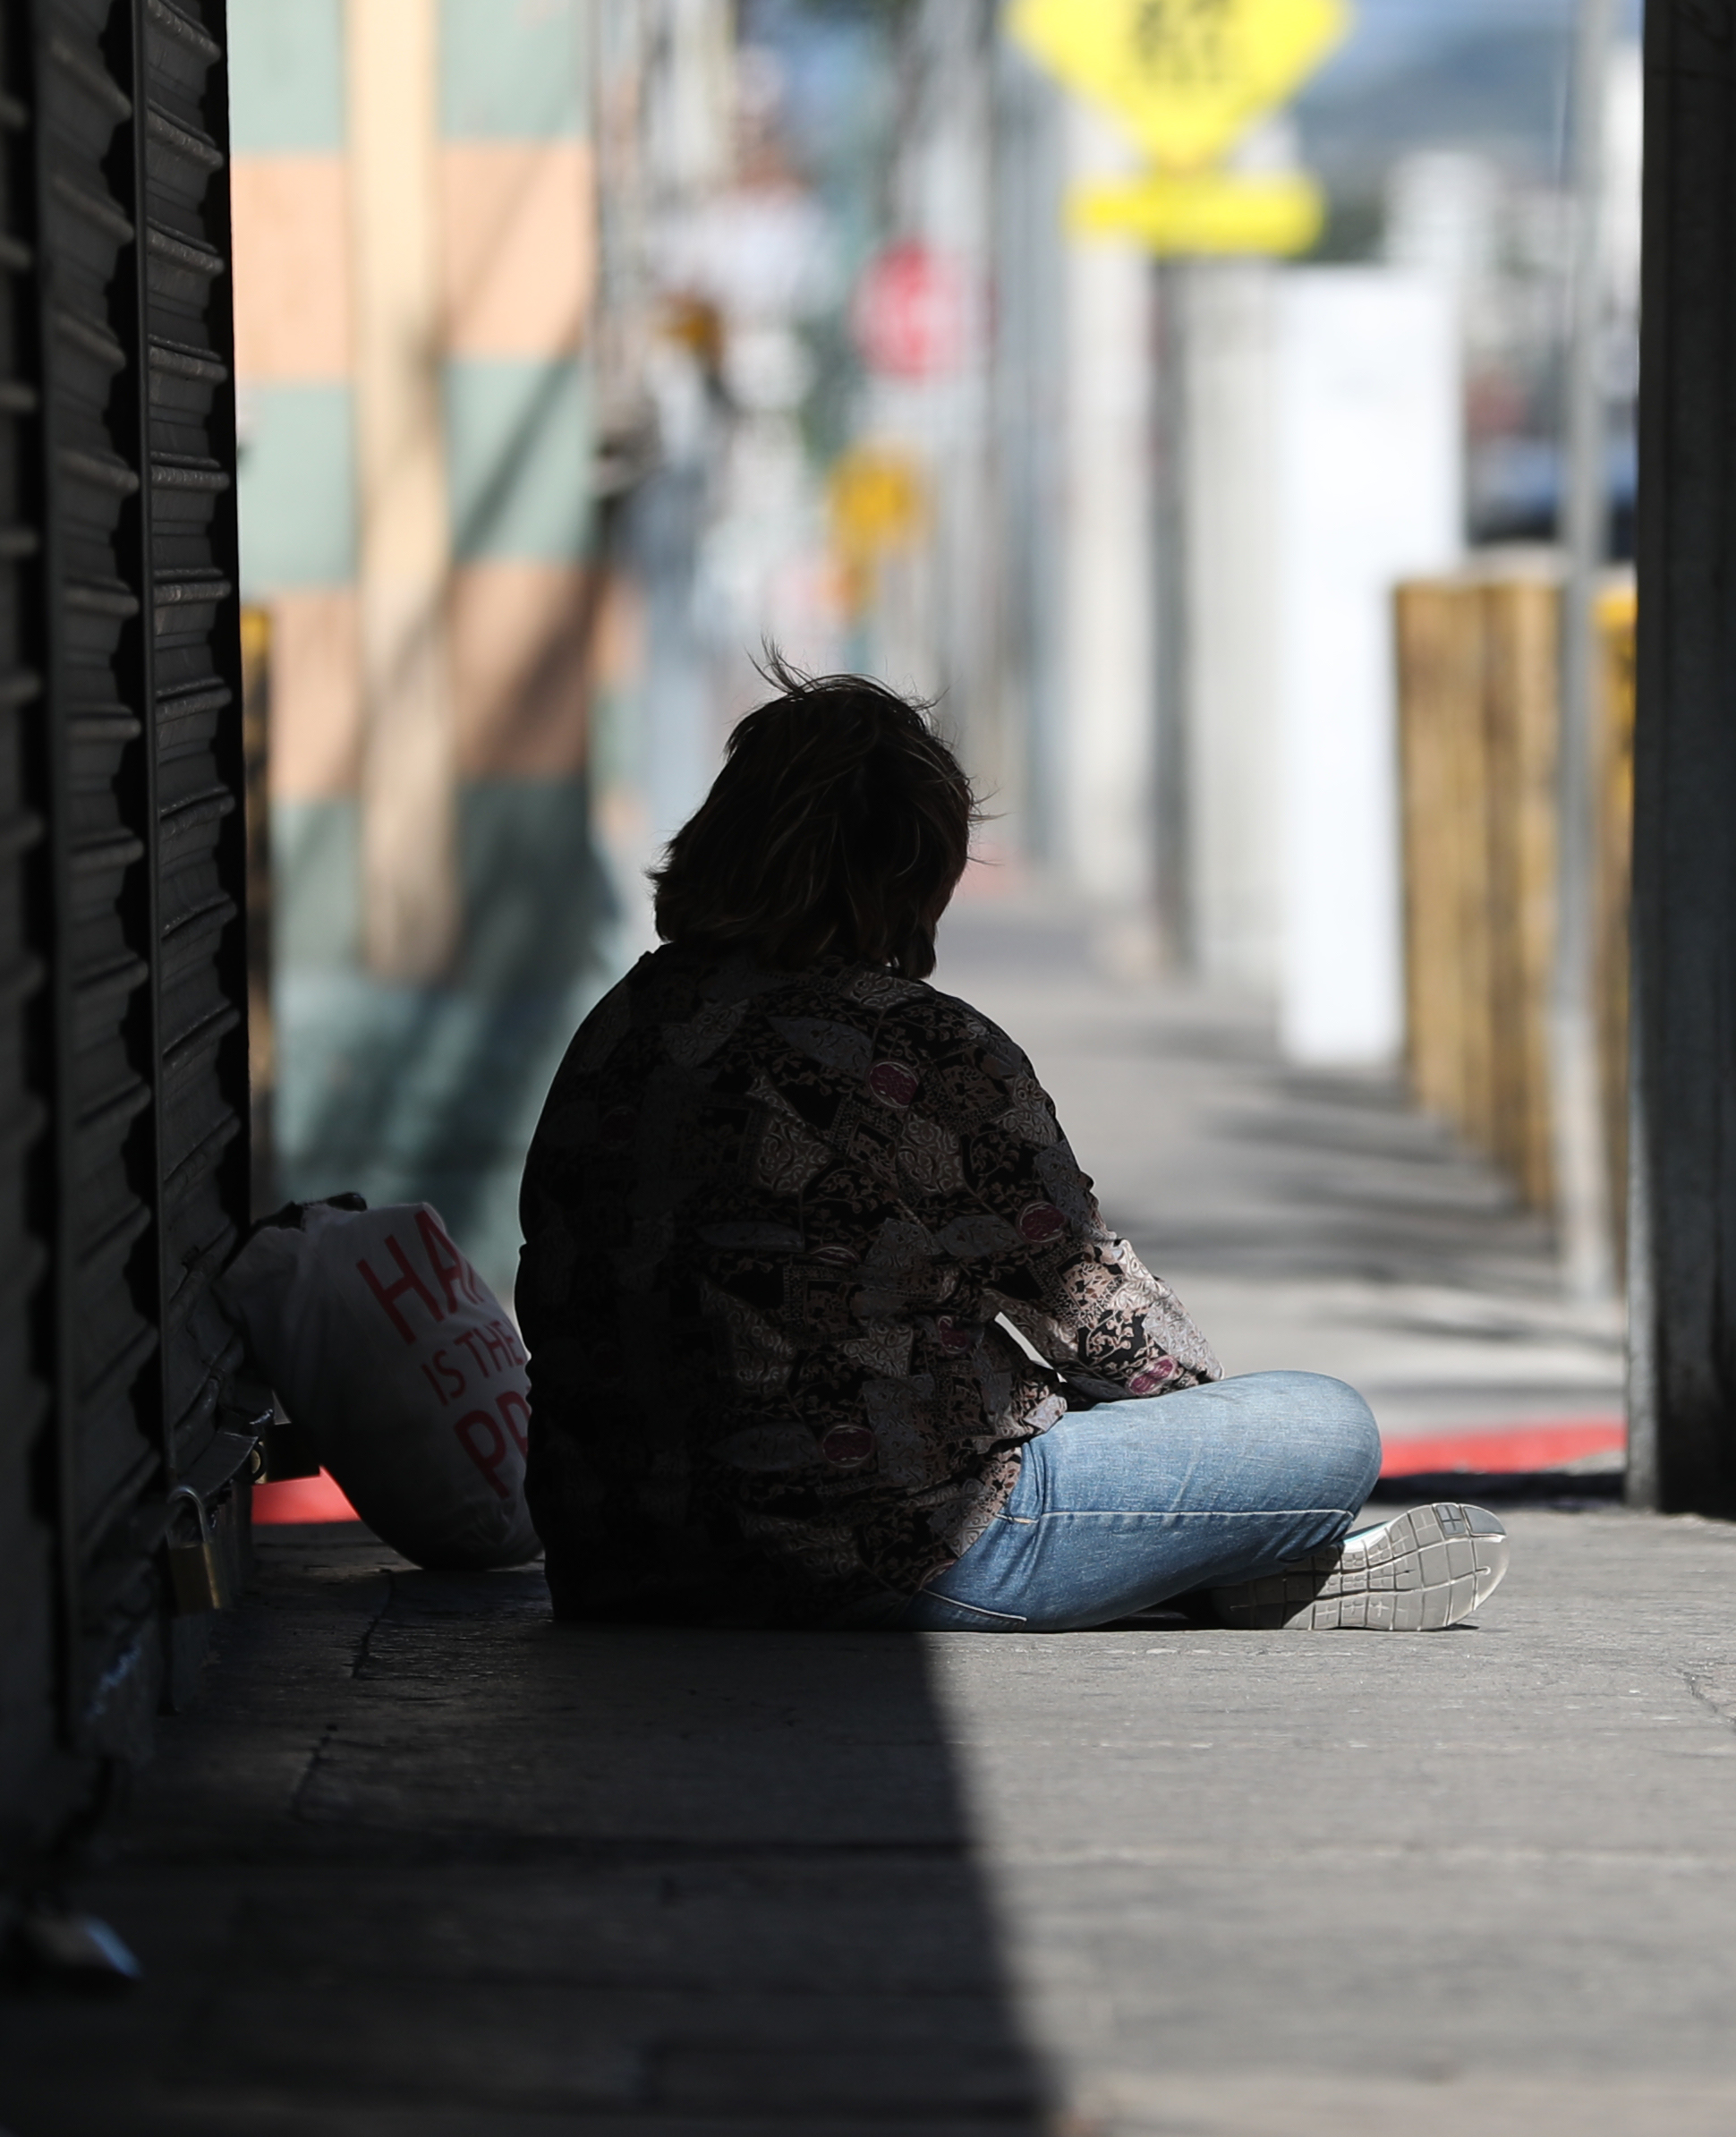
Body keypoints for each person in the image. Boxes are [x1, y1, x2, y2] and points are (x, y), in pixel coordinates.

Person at [515, 668, 1507, 1631]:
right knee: (1321, 1428)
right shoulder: (917, 1045)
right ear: (913, 869)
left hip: (618, 1560)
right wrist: (1200, 1450)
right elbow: (1106, 1320)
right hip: (886, 1552)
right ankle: (1223, 1563)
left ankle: (1183, 1562)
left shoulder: (622, 1023)